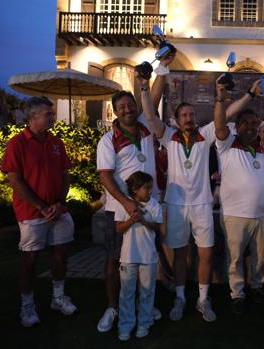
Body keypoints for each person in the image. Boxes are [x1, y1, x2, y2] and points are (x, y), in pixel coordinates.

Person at [138, 73, 219, 322]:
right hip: (176, 204)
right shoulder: (169, 136)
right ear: (177, 118)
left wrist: (237, 97)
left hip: (202, 204)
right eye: (184, 115)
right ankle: (181, 297)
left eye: (192, 115)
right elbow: (150, 114)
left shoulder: (205, 135)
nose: (188, 118)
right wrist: (143, 87)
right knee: (181, 254)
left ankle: (203, 299)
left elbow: (225, 115)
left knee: (206, 254)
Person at [1, 96, 77, 327]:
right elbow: (15, 180)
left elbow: (65, 175)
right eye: (48, 114)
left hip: (58, 210)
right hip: (32, 214)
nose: (53, 117)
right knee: (30, 259)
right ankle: (27, 305)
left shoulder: (56, 142)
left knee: (61, 253)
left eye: (51, 113)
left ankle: (58, 297)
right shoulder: (17, 143)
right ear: (33, 116)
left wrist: (58, 203)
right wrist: (42, 207)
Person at [96, 89, 160, 332]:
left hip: (146, 206)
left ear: (136, 106)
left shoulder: (144, 127)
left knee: (143, 258)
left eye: (130, 105)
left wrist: (160, 70)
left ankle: (144, 306)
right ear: (115, 111)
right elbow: (105, 176)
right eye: (121, 107)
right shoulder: (108, 139)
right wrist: (126, 202)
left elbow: (154, 97)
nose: (127, 110)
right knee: (114, 260)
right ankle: (113, 308)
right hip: (118, 208)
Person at [214, 80, 264, 314]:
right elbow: (219, 123)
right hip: (234, 215)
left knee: (260, 257)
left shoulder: (262, 151)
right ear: (236, 127)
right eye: (245, 123)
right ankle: (237, 293)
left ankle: (257, 286)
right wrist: (229, 98)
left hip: (260, 215)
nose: (250, 126)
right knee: (235, 258)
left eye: (254, 123)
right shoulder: (227, 144)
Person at [115, 171, 163, 341]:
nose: (150, 191)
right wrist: (131, 220)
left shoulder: (155, 205)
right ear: (134, 189)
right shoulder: (124, 205)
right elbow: (118, 228)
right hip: (128, 256)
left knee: (147, 291)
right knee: (127, 292)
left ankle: (144, 322)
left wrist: (142, 220)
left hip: (148, 256)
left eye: (151, 188)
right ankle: (126, 325)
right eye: (146, 188)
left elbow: (157, 227)